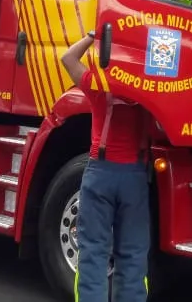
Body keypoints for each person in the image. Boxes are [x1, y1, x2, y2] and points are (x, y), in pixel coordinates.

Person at [61, 32, 152, 302]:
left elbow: (67, 58)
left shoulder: (98, 86)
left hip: (100, 175)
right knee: (134, 254)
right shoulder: (148, 92)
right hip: (134, 177)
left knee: (93, 253)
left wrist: (93, 35)